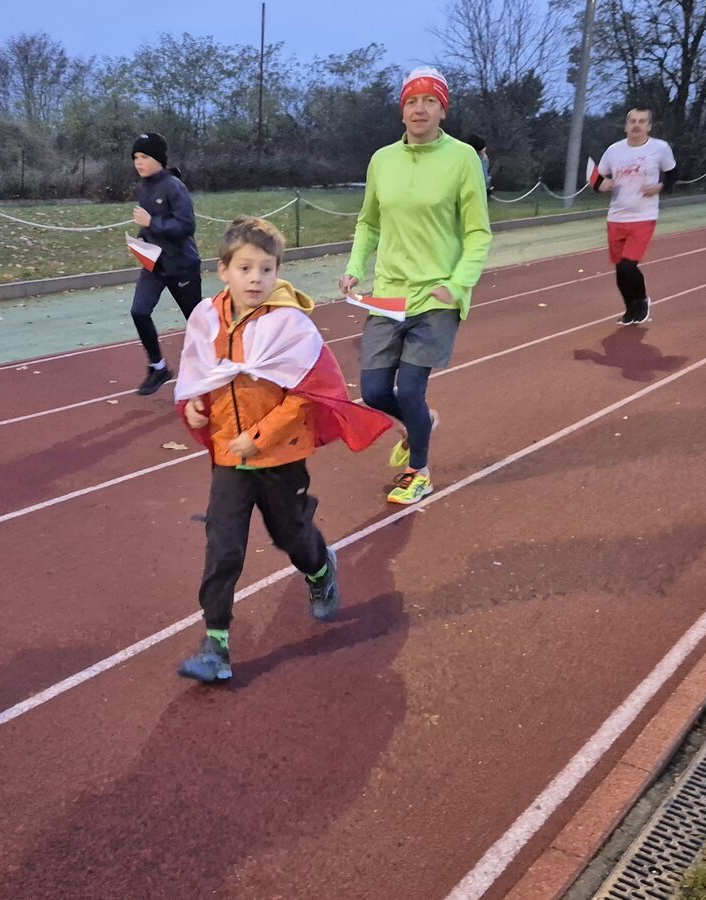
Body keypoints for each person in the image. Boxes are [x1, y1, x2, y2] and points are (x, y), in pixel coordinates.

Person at [173, 216, 393, 683]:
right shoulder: (207, 318)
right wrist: (194, 406)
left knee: (291, 535)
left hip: (279, 456)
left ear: (278, 272)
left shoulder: (289, 324)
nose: (256, 278)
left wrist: (259, 437)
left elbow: (305, 394)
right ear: (223, 270)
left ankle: (320, 570)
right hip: (229, 458)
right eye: (245, 268)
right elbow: (201, 374)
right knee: (223, 547)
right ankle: (216, 643)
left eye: (266, 269)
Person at [338, 67, 493, 506]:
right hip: (389, 294)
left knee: (409, 390)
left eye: (430, 101)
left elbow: (478, 233)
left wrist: (458, 283)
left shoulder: (462, 158)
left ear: (443, 110)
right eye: (411, 101)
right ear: (402, 109)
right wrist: (355, 266)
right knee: (373, 391)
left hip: (437, 294)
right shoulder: (382, 160)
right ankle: (421, 421)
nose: (419, 109)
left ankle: (418, 471)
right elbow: (369, 222)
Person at [130, 131, 203, 395]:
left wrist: (152, 223)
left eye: (144, 156)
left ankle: (213, 366)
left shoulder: (174, 187)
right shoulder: (142, 187)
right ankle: (158, 367)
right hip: (154, 265)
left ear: (158, 159)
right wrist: (140, 241)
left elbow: (186, 226)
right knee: (139, 311)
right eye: (135, 157)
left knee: (197, 322)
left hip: (182, 265)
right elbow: (149, 226)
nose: (138, 162)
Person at [590, 108, 677, 325]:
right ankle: (630, 309)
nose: (636, 125)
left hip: (644, 216)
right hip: (616, 217)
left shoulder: (660, 148)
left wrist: (659, 187)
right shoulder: (614, 151)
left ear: (649, 126)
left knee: (628, 265)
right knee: (620, 269)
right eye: (633, 121)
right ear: (626, 126)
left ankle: (641, 300)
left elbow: (673, 175)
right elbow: (595, 177)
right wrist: (601, 186)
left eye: (642, 121)